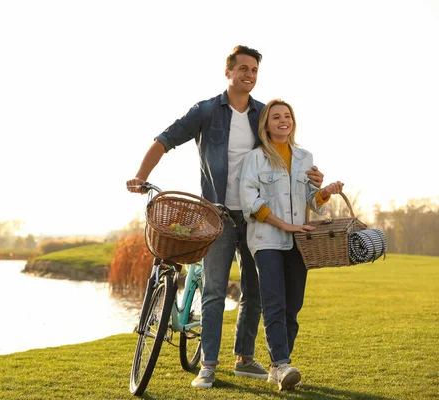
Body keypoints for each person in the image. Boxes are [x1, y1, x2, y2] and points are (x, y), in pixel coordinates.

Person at [126, 46, 325, 389]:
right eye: (243, 69)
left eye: (254, 70)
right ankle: (208, 365)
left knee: (255, 290)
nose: (249, 75)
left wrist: (313, 179)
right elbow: (164, 140)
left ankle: (244, 358)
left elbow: (285, 149)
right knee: (215, 289)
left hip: (259, 217)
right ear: (228, 72)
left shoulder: (263, 113)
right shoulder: (205, 111)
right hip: (216, 215)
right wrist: (141, 176)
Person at [238, 99, 343, 390]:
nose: (283, 121)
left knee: (293, 306)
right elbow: (250, 201)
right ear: (266, 125)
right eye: (276, 117)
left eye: (287, 116)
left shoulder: (305, 157)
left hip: (300, 241)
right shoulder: (254, 159)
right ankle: (283, 365)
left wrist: (325, 193)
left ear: (292, 122)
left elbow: (311, 200)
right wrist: (284, 225)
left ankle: (276, 366)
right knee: (274, 302)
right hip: (266, 239)